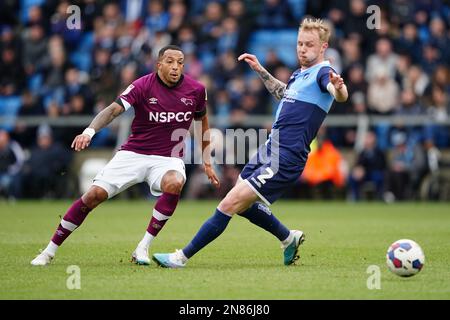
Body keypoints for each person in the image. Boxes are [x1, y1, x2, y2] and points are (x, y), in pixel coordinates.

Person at [152, 18, 348, 268]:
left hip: (286, 156)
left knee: (229, 203)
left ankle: (181, 257)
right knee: (243, 205)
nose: (302, 48)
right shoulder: (300, 74)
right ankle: (288, 239)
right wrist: (260, 69)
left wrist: (339, 87)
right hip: (269, 148)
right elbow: (283, 93)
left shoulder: (323, 73)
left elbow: (338, 94)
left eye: (309, 44)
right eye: (299, 43)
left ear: (323, 47)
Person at [31, 45, 220, 266]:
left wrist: (207, 161)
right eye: (170, 61)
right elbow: (113, 110)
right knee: (93, 196)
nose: (176, 67)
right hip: (133, 153)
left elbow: (202, 124)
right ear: (159, 65)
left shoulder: (196, 90)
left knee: (175, 182)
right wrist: (89, 131)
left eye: (180, 62)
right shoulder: (142, 85)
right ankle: (48, 251)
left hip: (168, 158)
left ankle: (143, 247)